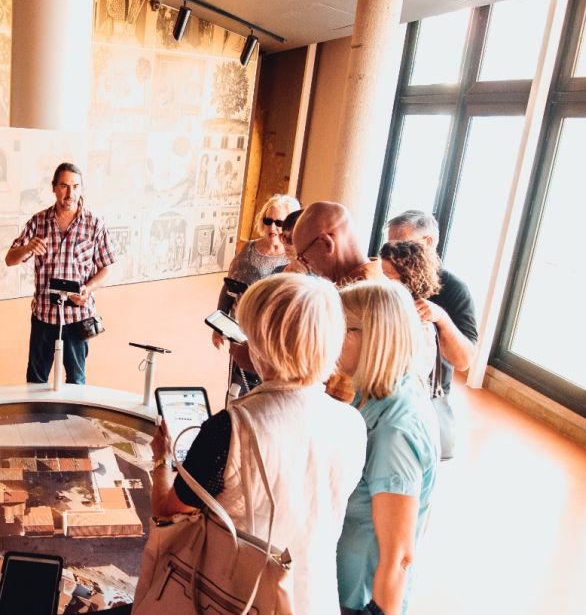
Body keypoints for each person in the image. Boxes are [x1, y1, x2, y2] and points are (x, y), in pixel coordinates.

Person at [148, 273, 367, 614]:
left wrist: (161, 460)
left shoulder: (229, 429)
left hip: (236, 595)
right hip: (312, 596)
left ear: (263, 342)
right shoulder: (352, 423)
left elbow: (169, 511)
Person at [335, 281, 440, 615]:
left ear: (374, 338)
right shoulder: (373, 392)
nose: (330, 338)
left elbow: (398, 555)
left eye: (341, 328)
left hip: (358, 597)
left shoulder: (394, 430)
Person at [4, 162, 116, 385]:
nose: (70, 193)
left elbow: (107, 267)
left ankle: (72, 422)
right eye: (64, 186)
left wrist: (89, 288)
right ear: (53, 187)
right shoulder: (38, 222)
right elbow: (10, 259)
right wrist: (27, 248)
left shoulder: (95, 225)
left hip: (77, 317)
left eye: (75, 186)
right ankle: (36, 419)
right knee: (36, 381)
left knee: (76, 380)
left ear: (81, 189)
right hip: (44, 317)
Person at [386, 210, 478, 461]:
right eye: (391, 245)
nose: (396, 254)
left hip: (426, 397)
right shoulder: (385, 280)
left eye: (403, 245)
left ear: (428, 243)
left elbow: (464, 360)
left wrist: (441, 318)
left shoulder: (454, 290)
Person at [292, 201, 386, 402]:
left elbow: (339, 392)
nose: (306, 266)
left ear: (327, 243)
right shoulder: (378, 283)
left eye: (303, 257)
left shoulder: (359, 302)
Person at [211, 194, 297, 394]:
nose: (272, 228)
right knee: (238, 386)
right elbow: (229, 286)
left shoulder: (294, 258)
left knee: (266, 387)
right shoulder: (249, 250)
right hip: (242, 330)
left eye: (278, 222)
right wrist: (218, 326)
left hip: (274, 336)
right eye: (268, 221)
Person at [379, 240, 442, 386]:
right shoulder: (387, 310)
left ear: (410, 281)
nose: (379, 282)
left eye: (387, 278)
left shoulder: (420, 326)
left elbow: (409, 380)